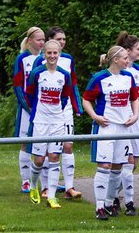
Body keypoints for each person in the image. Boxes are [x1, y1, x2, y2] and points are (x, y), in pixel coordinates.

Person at [82, 46, 139, 222]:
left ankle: (109, 203)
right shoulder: (99, 78)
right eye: (124, 58)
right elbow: (86, 99)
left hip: (123, 128)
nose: (127, 60)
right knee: (104, 166)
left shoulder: (128, 77)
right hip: (106, 128)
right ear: (115, 60)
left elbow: (134, 98)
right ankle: (99, 206)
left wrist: (135, 115)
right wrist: (95, 116)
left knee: (117, 167)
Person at [24, 39, 79, 209]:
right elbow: (29, 95)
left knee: (55, 156)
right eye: (49, 53)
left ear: (59, 54)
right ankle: (33, 186)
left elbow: (65, 96)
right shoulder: (37, 73)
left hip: (57, 122)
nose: (52, 56)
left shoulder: (64, 74)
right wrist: (39, 110)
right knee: (39, 160)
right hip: (40, 122)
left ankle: (52, 197)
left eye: (55, 53)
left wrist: (57, 112)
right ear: (44, 54)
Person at [33, 27, 85, 200]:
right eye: (59, 39)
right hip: (44, 113)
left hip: (64, 109)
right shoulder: (40, 63)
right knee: (45, 153)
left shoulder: (68, 60)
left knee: (67, 146)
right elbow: (31, 89)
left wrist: (77, 106)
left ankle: (70, 187)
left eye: (64, 39)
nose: (63, 42)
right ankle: (45, 187)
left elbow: (73, 85)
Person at [11, 26, 45, 193]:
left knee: (45, 144)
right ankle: (25, 180)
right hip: (27, 108)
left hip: (44, 109)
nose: (42, 43)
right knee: (25, 143)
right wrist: (28, 107)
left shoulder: (47, 58)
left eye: (44, 40)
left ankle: (45, 183)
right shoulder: (21, 59)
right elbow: (18, 86)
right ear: (30, 40)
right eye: (39, 40)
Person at [115, 32, 139, 216]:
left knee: (134, 163)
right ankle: (129, 203)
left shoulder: (138, 71)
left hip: (136, 117)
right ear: (127, 51)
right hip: (122, 117)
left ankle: (113, 195)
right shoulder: (118, 71)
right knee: (127, 161)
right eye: (138, 49)